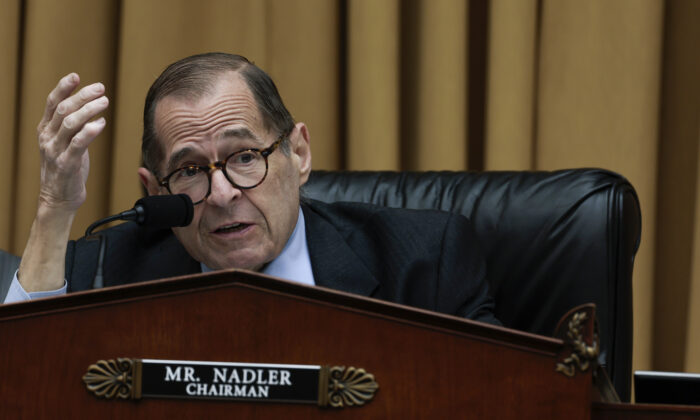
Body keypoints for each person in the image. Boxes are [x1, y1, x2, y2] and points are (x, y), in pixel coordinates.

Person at [4, 53, 498, 324]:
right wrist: (55, 206)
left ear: (298, 154)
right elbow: (24, 381)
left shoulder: (424, 262)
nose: (222, 194)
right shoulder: (106, 271)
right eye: (191, 170)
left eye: (244, 158)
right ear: (157, 193)